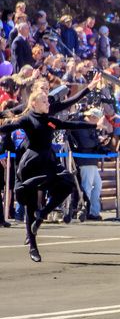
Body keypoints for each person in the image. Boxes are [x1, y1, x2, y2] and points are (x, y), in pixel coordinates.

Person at [0, 89, 97, 262]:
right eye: (44, 101)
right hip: (32, 163)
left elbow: (71, 125)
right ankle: (33, 247)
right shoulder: (27, 118)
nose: (48, 104)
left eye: (47, 101)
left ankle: (42, 214)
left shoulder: (50, 121)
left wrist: (95, 125)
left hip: (48, 161)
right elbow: (9, 127)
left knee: (67, 184)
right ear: (34, 103)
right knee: (29, 207)